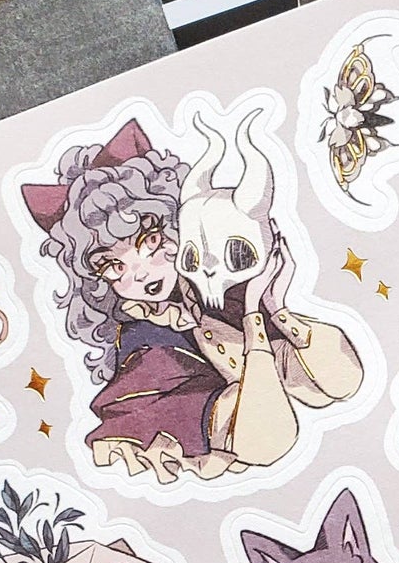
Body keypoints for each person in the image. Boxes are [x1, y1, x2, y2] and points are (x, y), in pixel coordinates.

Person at [22, 117, 361, 483]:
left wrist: (276, 309)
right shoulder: (147, 350)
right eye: (114, 266)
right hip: (205, 419)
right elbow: (268, 441)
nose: (140, 273)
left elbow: (344, 380)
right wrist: (253, 317)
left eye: (149, 242)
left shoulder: (215, 287)